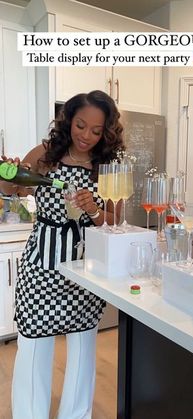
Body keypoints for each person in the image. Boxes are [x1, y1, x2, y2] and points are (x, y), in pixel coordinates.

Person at [0, 90, 125, 419]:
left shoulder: (107, 167)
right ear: (69, 121)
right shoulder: (47, 153)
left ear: (106, 133)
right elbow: (14, 189)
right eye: (80, 125)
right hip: (43, 263)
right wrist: (7, 175)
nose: (86, 136)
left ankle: (77, 415)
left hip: (86, 268)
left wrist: (94, 210)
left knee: (83, 347)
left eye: (96, 131)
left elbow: (116, 220)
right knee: (35, 345)